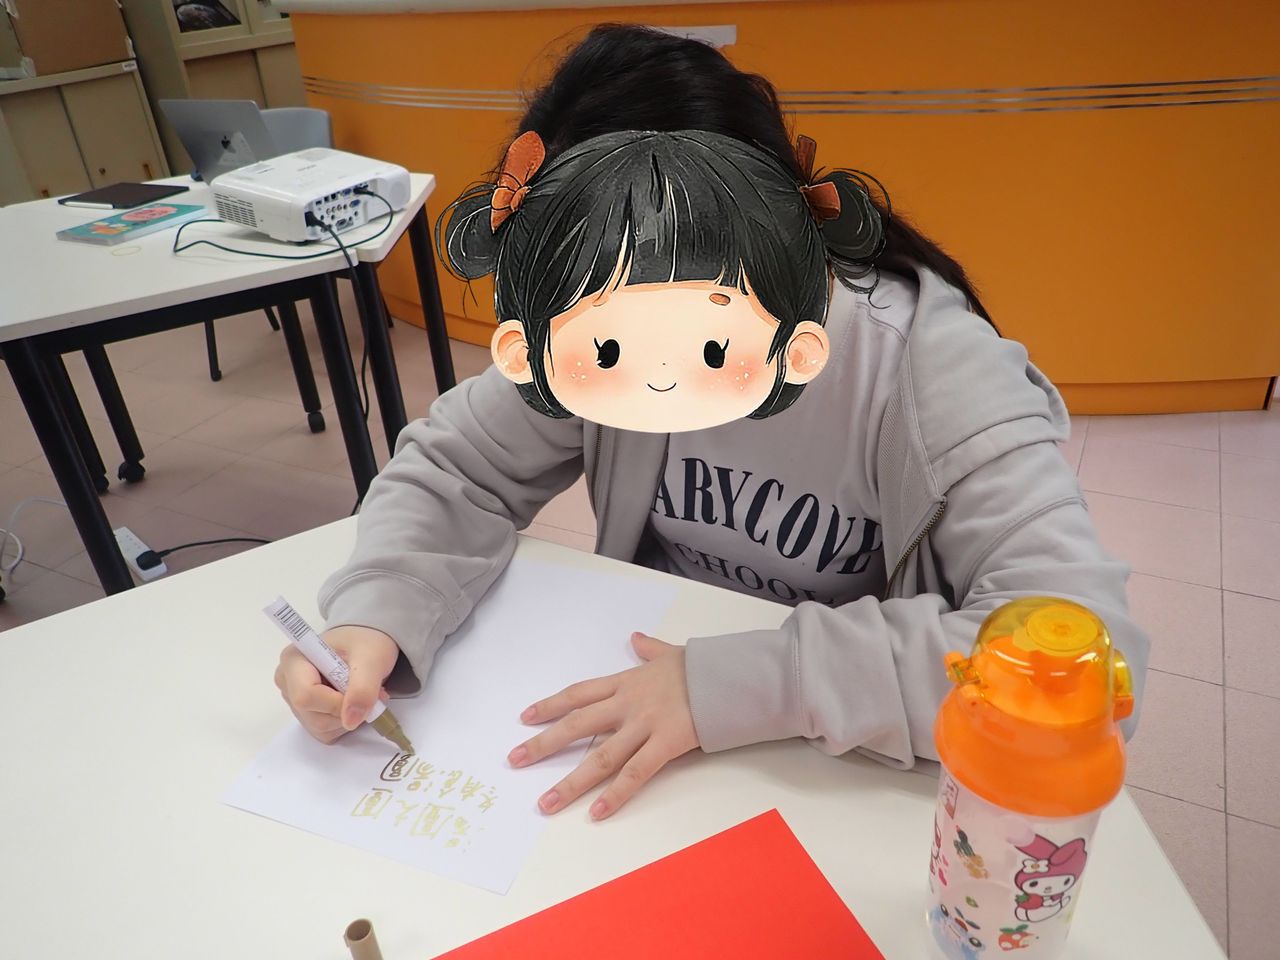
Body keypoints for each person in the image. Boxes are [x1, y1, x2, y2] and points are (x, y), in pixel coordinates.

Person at [274, 24, 1147, 822]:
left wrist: (733, 684)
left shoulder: (925, 366)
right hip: (651, 728)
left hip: (847, 762)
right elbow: (459, 467)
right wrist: (377, 615)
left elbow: (1087, 659)